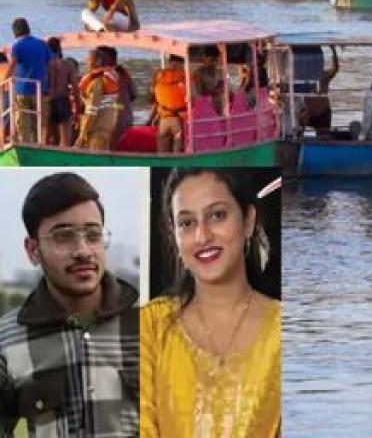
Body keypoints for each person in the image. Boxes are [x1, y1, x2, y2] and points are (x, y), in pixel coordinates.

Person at [141, 170, 280, 438]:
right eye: (187, 223)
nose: (202, 236)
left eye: (217, 215)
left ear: (248, 220)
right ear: (174, 235)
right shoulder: (149, 328)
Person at [1, 173, 140, 436]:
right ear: (33, 251)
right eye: (64, 237)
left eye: (93, 235)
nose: (83, 251)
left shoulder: (151, 327)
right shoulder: (6, 341)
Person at [4, 18, 52, 144]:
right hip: (40, 89)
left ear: (15, 33)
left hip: (22, 89)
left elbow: (11, 65)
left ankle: (24, 145)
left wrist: (3, 83)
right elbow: (49, 64)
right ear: (28, 29)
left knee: (23, 122)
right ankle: (38, 145)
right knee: (38, 122)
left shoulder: (17, 46)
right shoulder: (42, 44)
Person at [72, 47, 121, 150]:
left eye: (89, 61)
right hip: (107, 125)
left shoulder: (97, 82)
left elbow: (91, 111)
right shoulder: (110, 77)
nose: (87, 64)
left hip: (97, 128)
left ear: (93, 63)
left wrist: (81, 136)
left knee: (95, 161)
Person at [44, 36, 77, 147]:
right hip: (63, 101)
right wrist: (77, 106)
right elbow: (75, 88)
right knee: (65, 140)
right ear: (59, 49)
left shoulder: (44, 65)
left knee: (46, 138)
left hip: (47, 100)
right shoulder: (68, 65)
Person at [151, 54, 188, 153]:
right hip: (178, 119)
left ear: (169, 62)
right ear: (181, 63)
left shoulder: (159, 76)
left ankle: (162, 167)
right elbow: (192, 98)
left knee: (162, 150)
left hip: (163, 119)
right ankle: (177, 167)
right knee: (178, 149)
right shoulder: (184, 78)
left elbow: (153, 97)